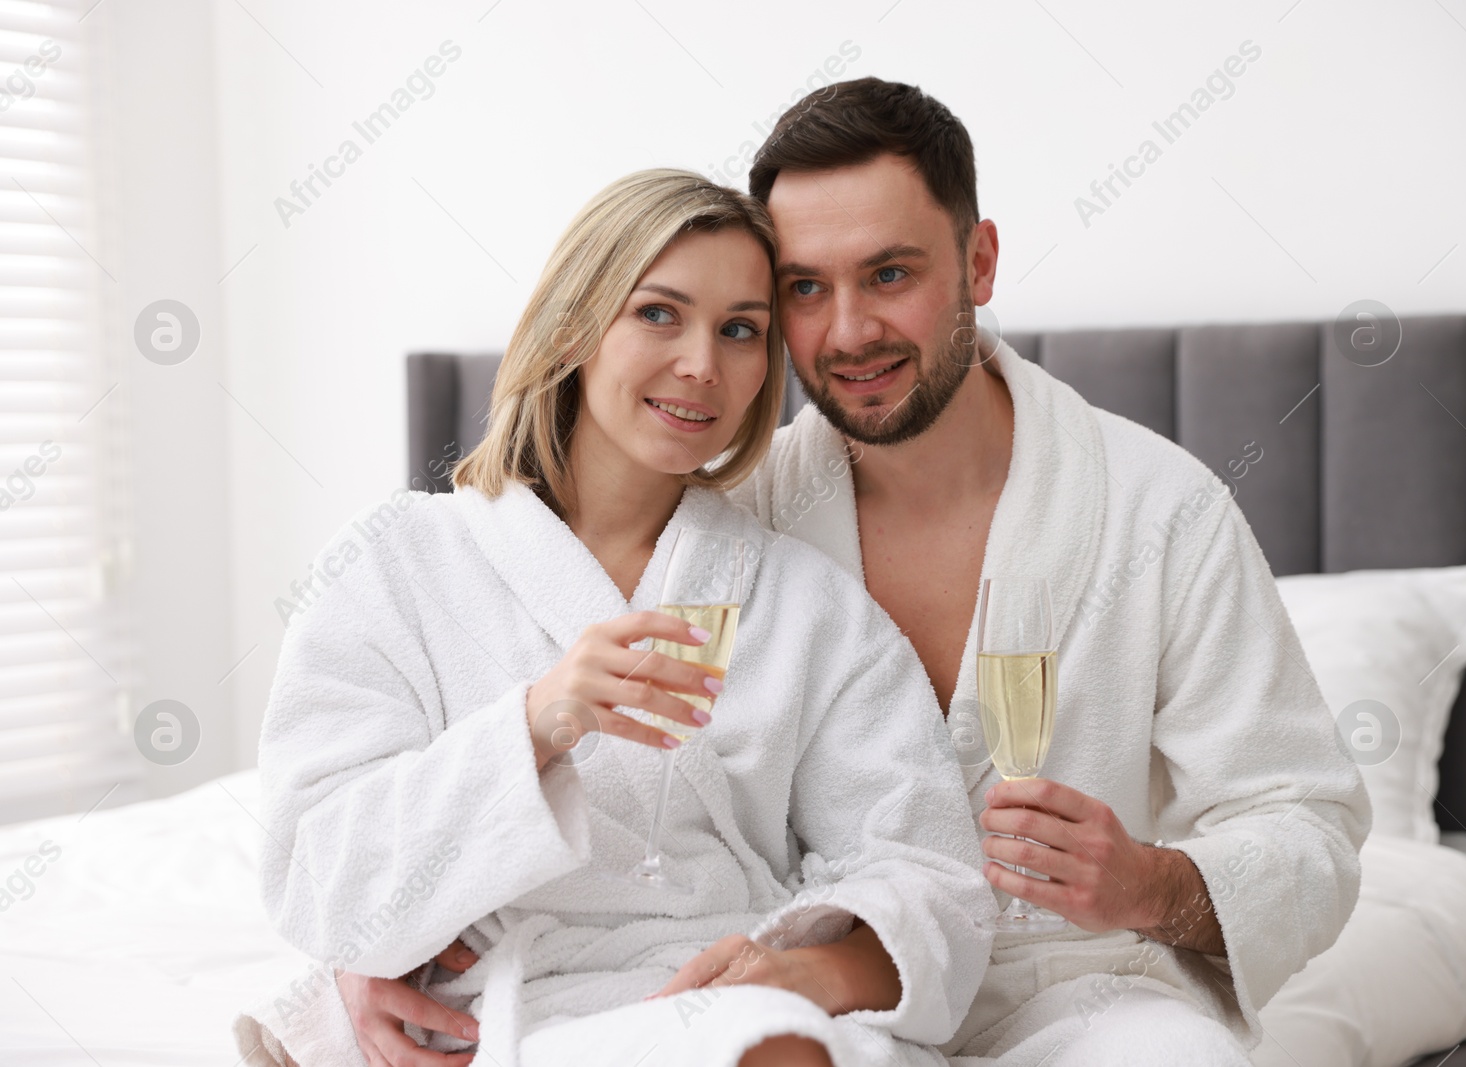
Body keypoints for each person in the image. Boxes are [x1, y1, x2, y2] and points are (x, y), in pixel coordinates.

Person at [342, 79, 1375, 1065]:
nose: (847, 332)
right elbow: (479, 741)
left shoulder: (1161, 508)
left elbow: (1306, 825)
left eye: (890, 273)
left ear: (977, 263)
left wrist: (1152, 884)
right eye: (802, 290)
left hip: (1076, 989)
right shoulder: (722, 525)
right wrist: (360, 941)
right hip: (809, 999)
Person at [233, 169, 995, 1067]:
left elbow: (932, 875)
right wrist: (537, 723)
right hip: (509, 1016)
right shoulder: (395, 564)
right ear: (571, 326)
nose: (702, 364)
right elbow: (315, 879)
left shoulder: (808, 602)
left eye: (741, 330)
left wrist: (804, 973)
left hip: (737, 1006)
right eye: (659, 313)